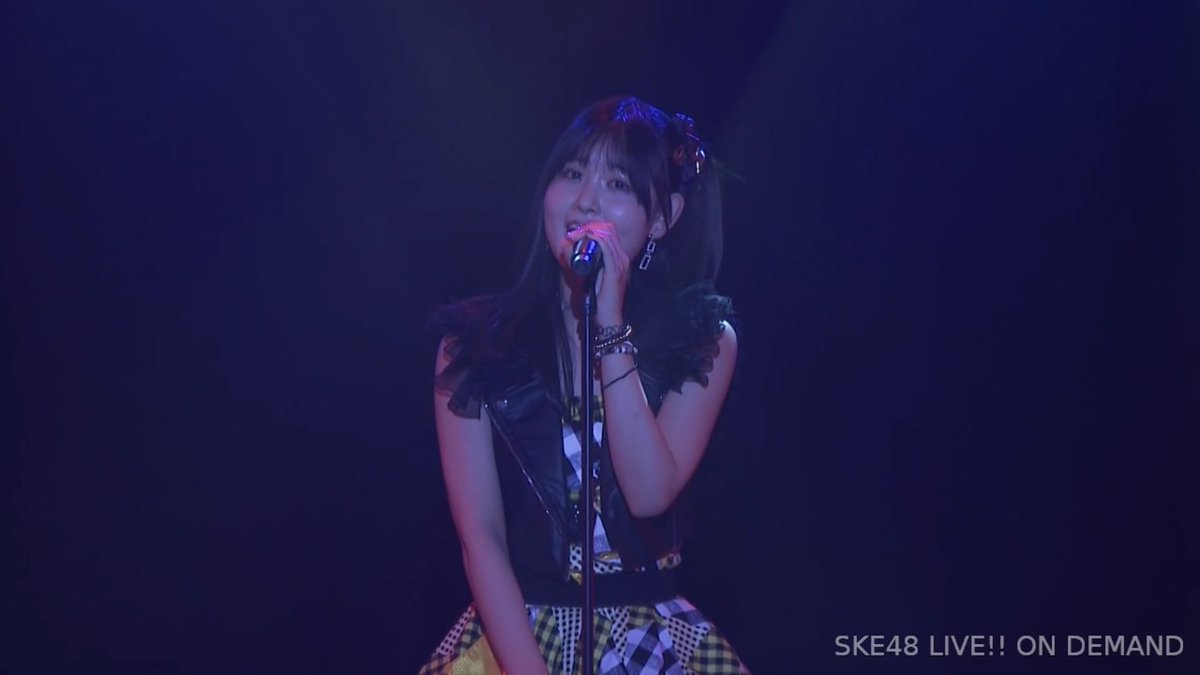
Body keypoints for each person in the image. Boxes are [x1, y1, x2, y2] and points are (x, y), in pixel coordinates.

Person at [419, 96, 748, 674]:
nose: (585, 200)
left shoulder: (704, 341)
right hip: (515, 636)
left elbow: (648, 492)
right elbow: (482, 538)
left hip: (649, 638)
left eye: (617, 183)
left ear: (663, 217)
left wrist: (610, 324)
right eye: (572, 173)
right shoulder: (472, 348)